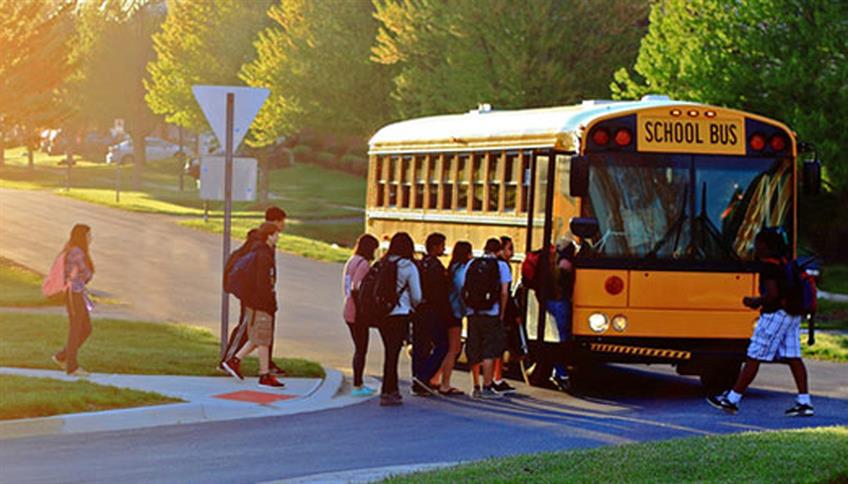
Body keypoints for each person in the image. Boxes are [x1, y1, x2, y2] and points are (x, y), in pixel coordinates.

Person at [707, 230, 813, 416]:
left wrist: (754, 301)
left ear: (766, 246)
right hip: (793, 315)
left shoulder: (768, 267)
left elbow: (772, 295)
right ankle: (804, 402)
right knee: (793, 356)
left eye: (758, 244)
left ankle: (732, 399)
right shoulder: (787, 262)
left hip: (775, 315)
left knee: (754, 356)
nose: (756, 247)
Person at [221, 206, 288, 376]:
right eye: (282, 222)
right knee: (246, 327)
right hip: (253, 295)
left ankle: (266, 366)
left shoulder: (268, 243)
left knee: (264, 330)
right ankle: (228, 360)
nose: (283, 226)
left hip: (264, 295)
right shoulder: (258, 243)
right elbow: (256, 273)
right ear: (274, 223)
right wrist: (263, 298)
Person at [462, 238, 511, 399]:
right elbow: (504, 292)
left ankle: (475, 386)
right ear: (499, 251)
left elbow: (464, 287)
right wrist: (502, 313)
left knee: (474, 348)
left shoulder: (472, 264)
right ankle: (487, 386)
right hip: (491, 312)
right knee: (489, 350)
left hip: (473, 312)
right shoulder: (501, 265)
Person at [378, 232, 422, 406]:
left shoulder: (382, 262)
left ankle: (390, 389)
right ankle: (389, 391)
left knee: (389, 352)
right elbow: (417, 295)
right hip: (400, 313)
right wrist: (412, 305)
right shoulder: (408, 266)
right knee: (393, 354)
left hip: (382, 314)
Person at [52, 224, 95, 376]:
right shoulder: (76, 252)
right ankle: (72, 367)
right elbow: (86, 273)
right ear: (82, 236)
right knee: (76, 330)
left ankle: (62, 356)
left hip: (77, 293)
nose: (91, 238)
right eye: (88, 235)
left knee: (86, 328)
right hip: (73, 294)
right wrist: (89, 273)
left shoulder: (73, 249)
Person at [411, 233, 451, 396]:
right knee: (443, 344)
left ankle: (417, 380)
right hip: (433, 311)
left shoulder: (420, 264)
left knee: (420, 346)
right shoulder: (436, 266)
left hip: (419, 309)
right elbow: (440, 293)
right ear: (435, 247)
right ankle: (424, 376)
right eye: (442, 245)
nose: (444, 248)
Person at [342, 234, 380, 397]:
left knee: (359, 348)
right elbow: (357, 286)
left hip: (348, 308)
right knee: (361, 350)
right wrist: (364, 311)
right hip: (357, 313)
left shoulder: (352, 260)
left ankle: (358, 383)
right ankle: (358, 385)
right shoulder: (363, 264)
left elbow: (347, 286)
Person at [435, 241, 473, 396]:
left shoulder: (453, 267)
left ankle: (436, 378)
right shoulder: (462, 270)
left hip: (449, 310)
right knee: (453, 349)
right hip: (454, 312)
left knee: (451, 348)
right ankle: (444, 383)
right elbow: (462, 288)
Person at [546, 240, 577, 392]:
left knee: (558, 338)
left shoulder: (553, 262)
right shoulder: (566, 264)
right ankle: (561, 372)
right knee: (563, 340)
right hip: (561, 303)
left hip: (551, 302)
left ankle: (559, 371)